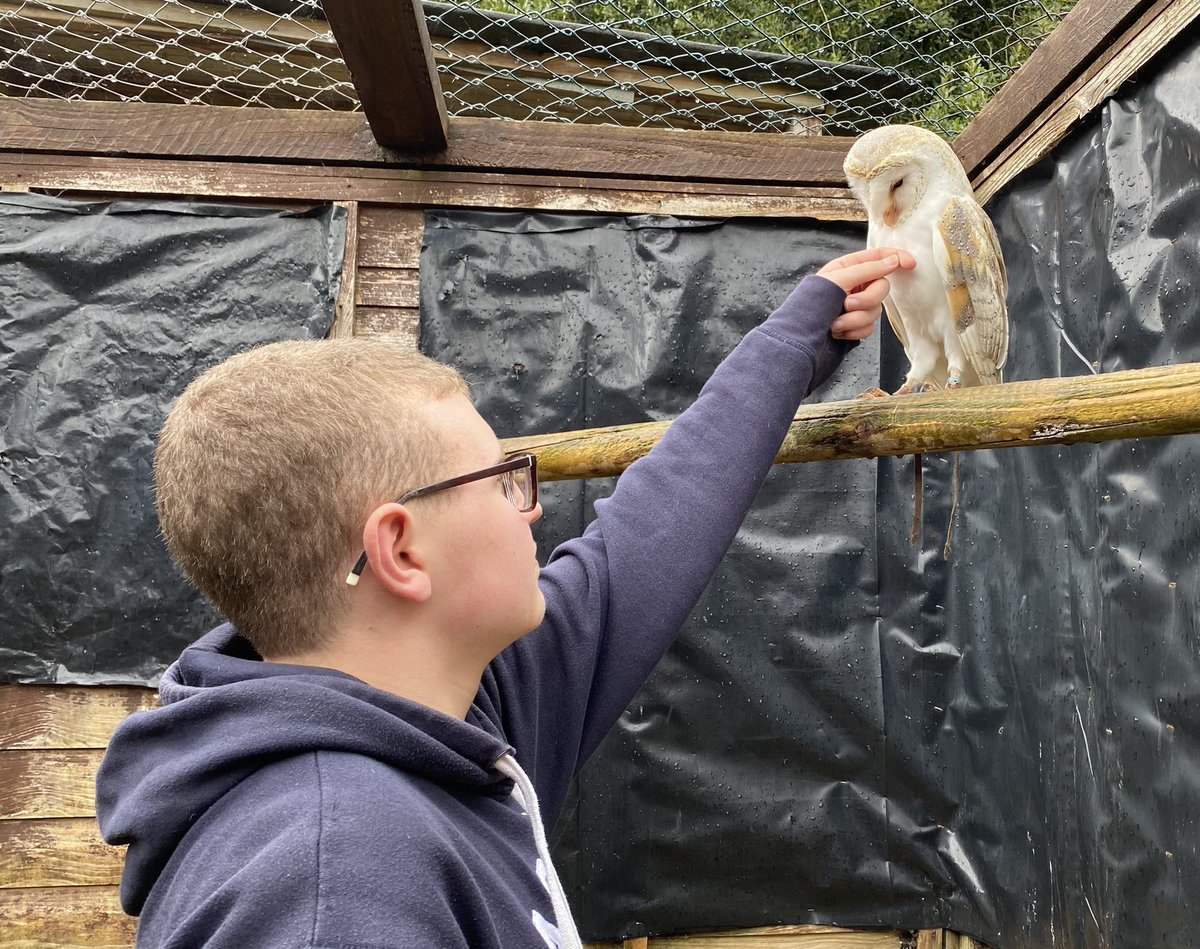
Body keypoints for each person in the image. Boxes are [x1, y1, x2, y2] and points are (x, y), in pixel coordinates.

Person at [95, 247, 915, 949]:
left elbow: (651, 534)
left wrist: (799, 337)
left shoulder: (453, 712)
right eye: (501, 480)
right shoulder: (334, 885)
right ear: (401, 549)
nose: (532, 507)